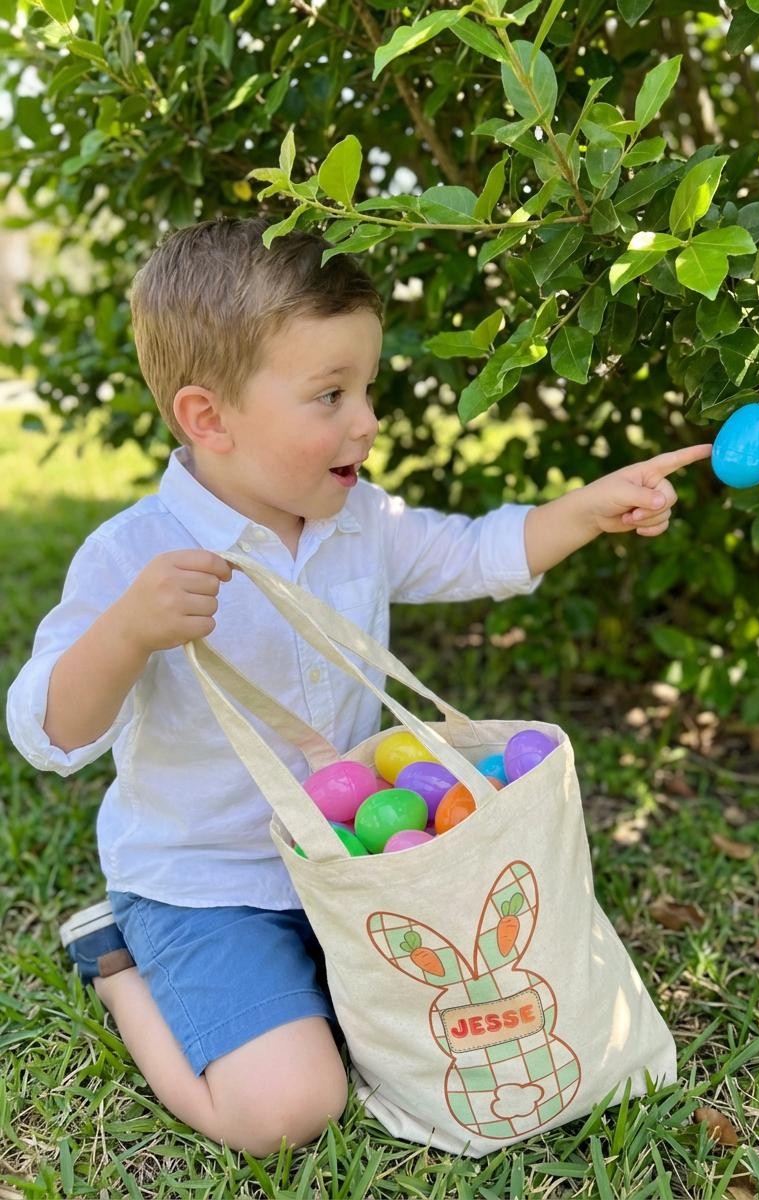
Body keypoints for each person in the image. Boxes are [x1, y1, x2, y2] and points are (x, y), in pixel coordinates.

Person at [6, 216, 711, 1155]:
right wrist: (127, 632)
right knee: (289, 1109)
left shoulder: (359, 520)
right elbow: (45, 733)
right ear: (207, 417)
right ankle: (116, 965)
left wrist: (585, 509)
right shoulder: (134, 556)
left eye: (365, 387)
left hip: (355, 860)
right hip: (209, 884)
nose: (367, 421)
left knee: (494, 1001)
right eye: (330, 394)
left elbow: (472, 552)